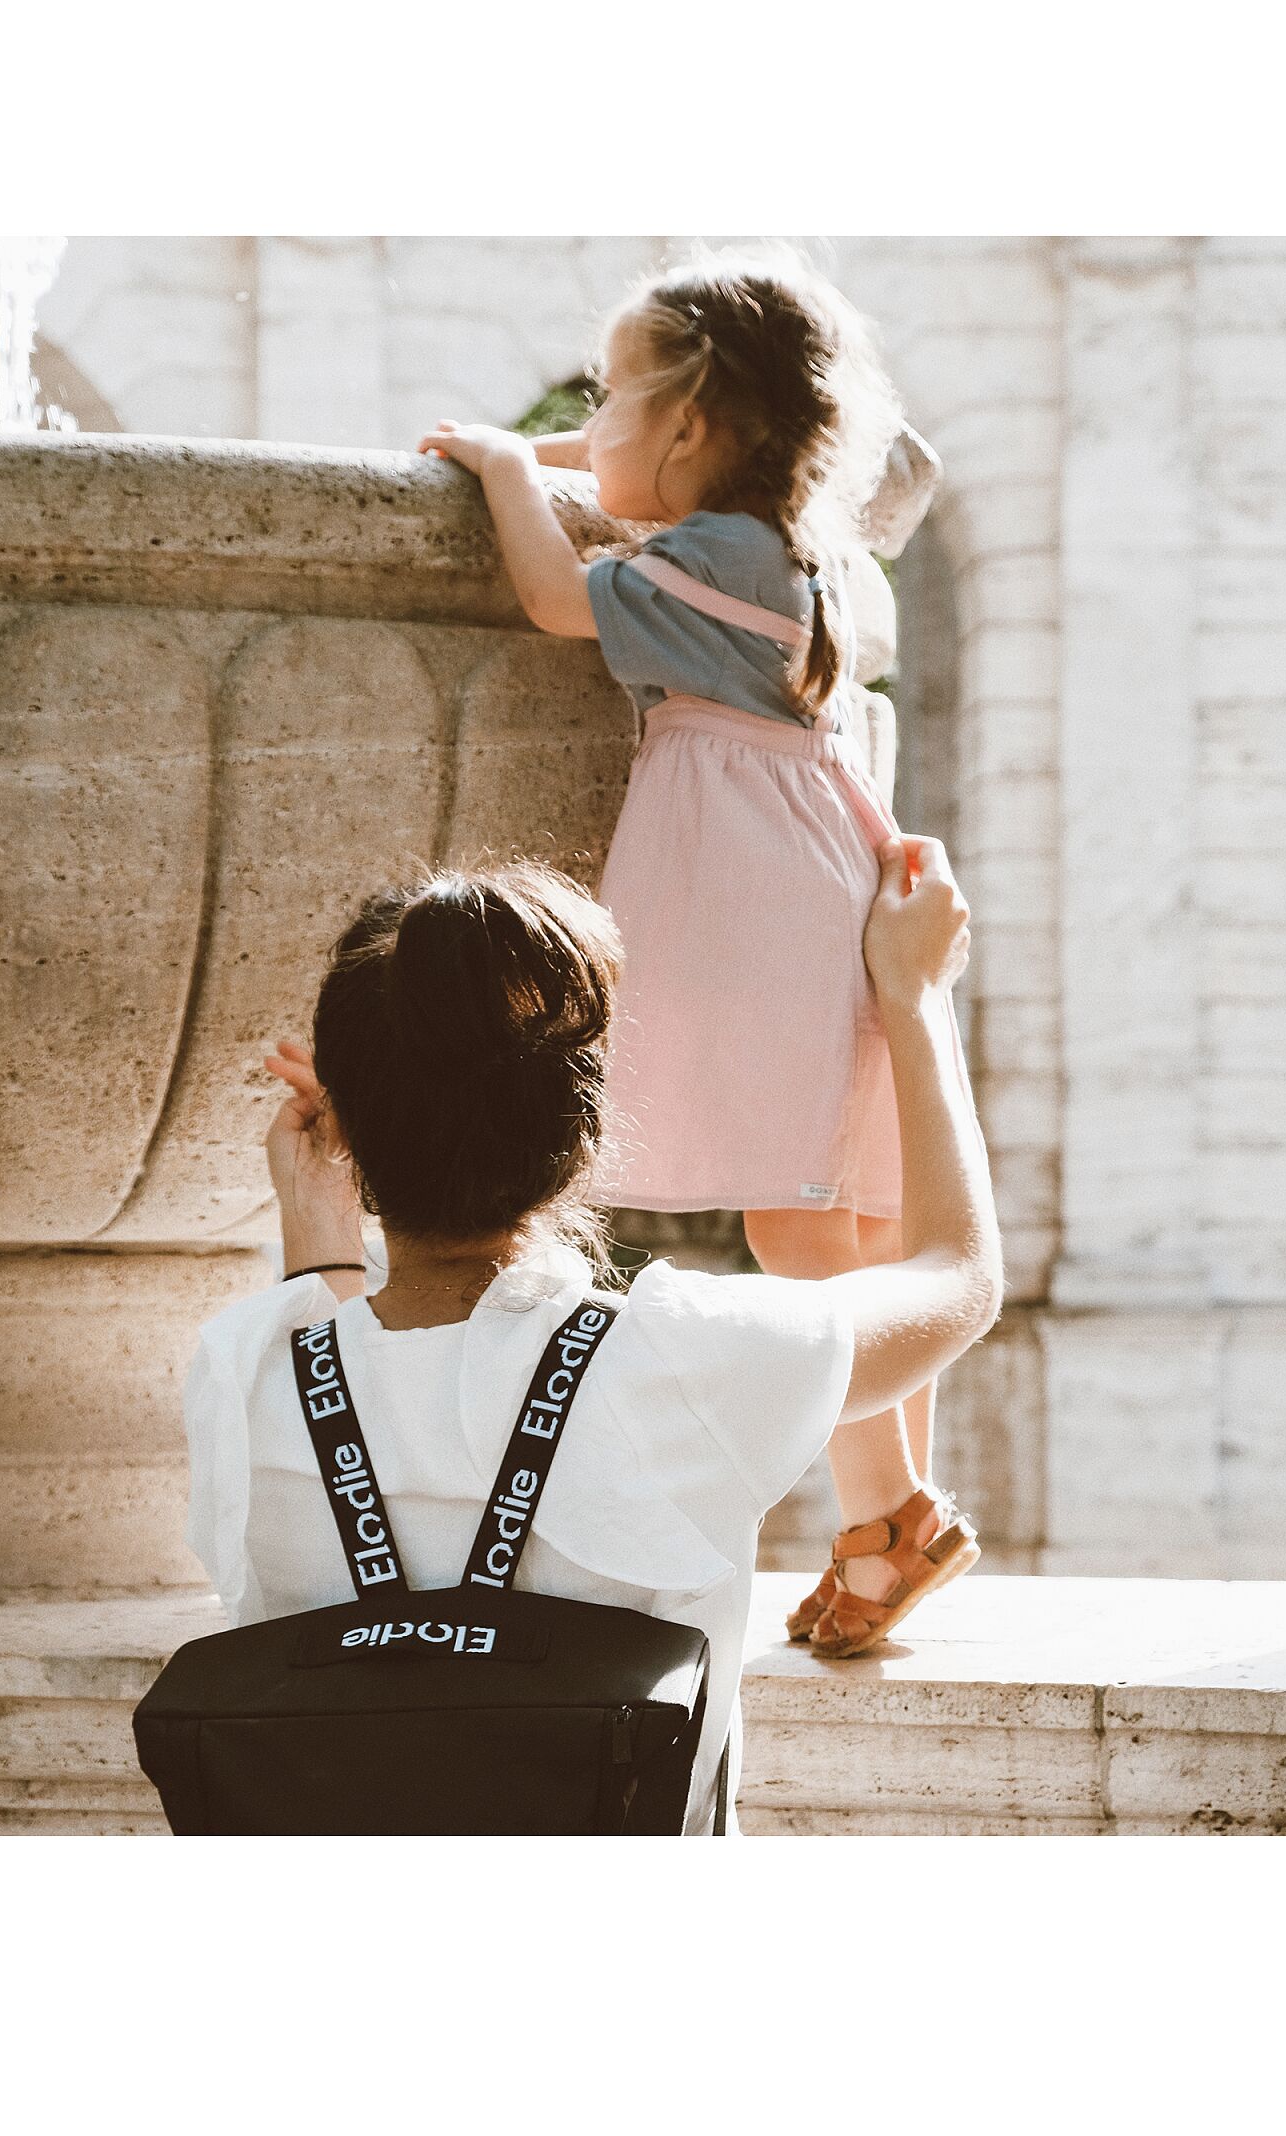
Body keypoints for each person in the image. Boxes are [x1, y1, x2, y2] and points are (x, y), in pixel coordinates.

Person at [416, 247, 995, 1655]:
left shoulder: (697, 561)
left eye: (606, 395)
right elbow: (630, 457)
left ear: (691, 427)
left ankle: (886, 1525)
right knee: (844, 1216)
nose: (583, 417)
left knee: (798, 1221)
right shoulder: (803, 555)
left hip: (759, 903)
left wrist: (503, 467)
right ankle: (890, 1522)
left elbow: (558, 592)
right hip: (825, 871)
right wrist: (576, 433)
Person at [182, 853, 1001, 1836]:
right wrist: (915, 999)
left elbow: (348, 1370)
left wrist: (322, 1201)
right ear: (589, 1120)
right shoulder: (683, 1362)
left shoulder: (239, 1371)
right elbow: (959, 1277)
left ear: (351, 1128)